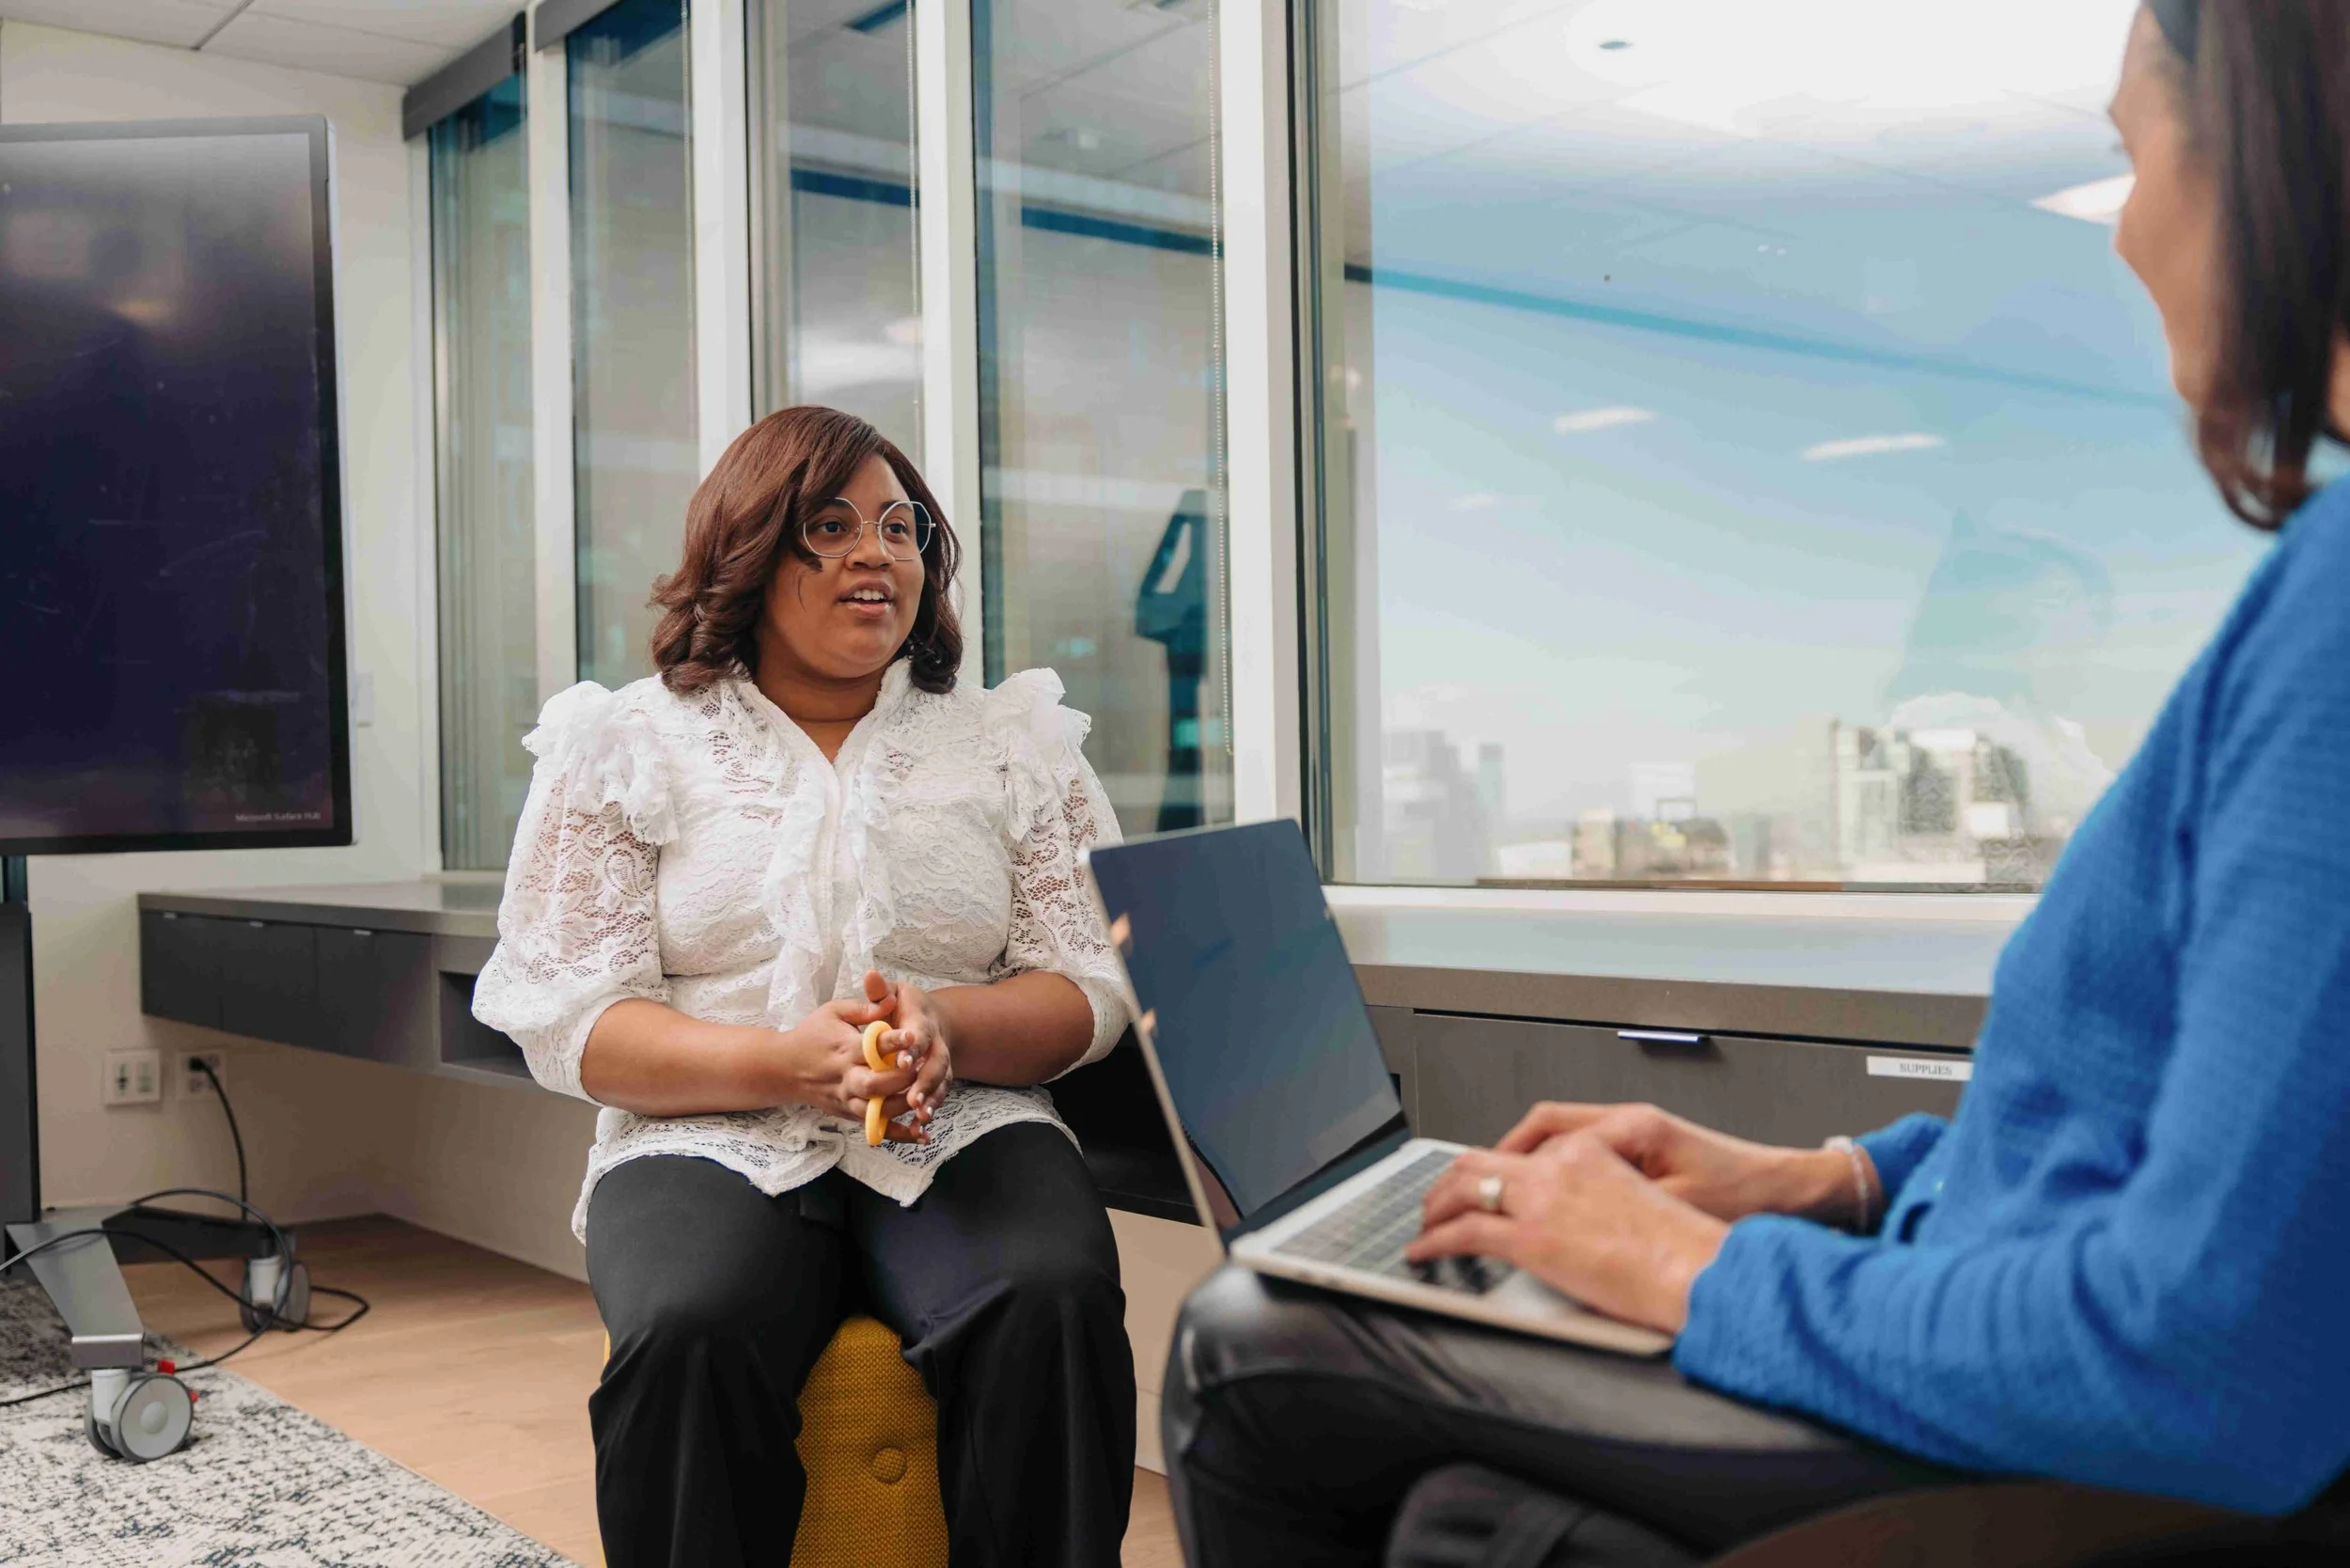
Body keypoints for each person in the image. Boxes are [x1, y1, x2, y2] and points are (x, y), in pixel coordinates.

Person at [1162, 4, 2350, 1562]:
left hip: (2095, 1440)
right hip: (2015, 1320)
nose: (2126, 231)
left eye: (2135, 157)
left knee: (1254, 1337)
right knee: (1471, 1518)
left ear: (2258, 154)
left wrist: (1698, 1272)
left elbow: (2210, 1341)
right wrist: (1823, 1176)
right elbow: (2152, 1139)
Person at [471, 405, 1136, 1568]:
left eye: (899, 526)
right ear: (748, 550)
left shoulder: (1011, 741)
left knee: (1051, 1296)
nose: (875, 554)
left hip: (960, 1116)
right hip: (705, 1127)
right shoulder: (624, 743)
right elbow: (572, 1015)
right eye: (828, 527)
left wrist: (944, 1024)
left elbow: (1088, 980)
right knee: (690, 1326)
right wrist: (781, 1063)